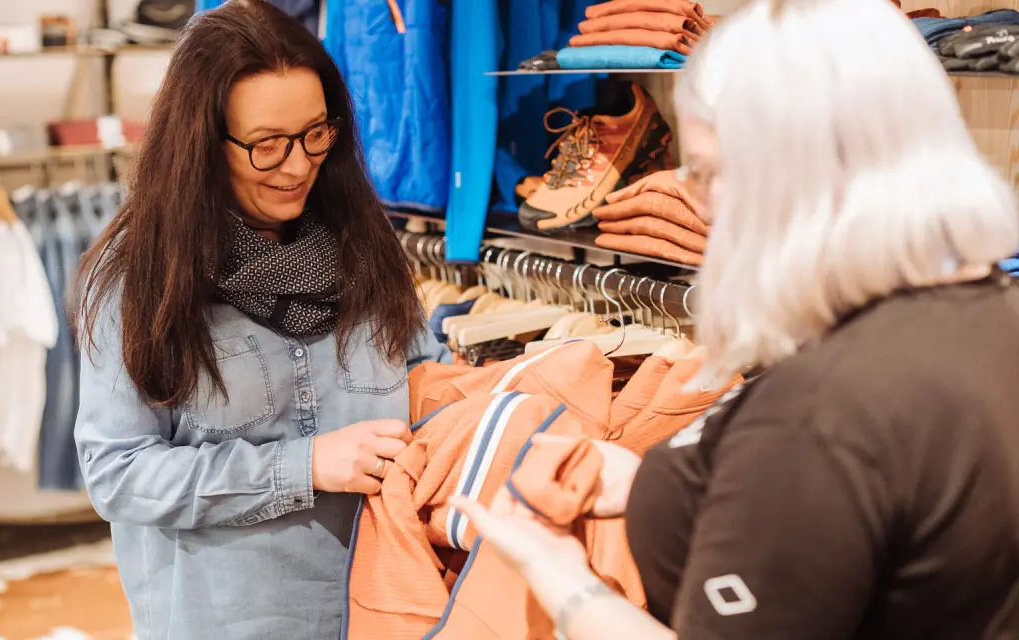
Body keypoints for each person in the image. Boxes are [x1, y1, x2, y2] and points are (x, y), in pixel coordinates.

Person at [452, 0, 1019, 638]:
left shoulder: (818, 415)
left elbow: (818, 472)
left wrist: (559, 577)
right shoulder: (988, 311)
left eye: (708, 172)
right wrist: (662, 486)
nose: (697, 199)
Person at [72, 2, 449, 638]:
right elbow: (119, 474)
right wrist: (304, 466)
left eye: (316, 133)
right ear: (201, 142)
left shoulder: (362, 242)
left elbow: (419, 373)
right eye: (267, 146)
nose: (299, 165)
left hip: (386, 612)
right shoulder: (143, 272)